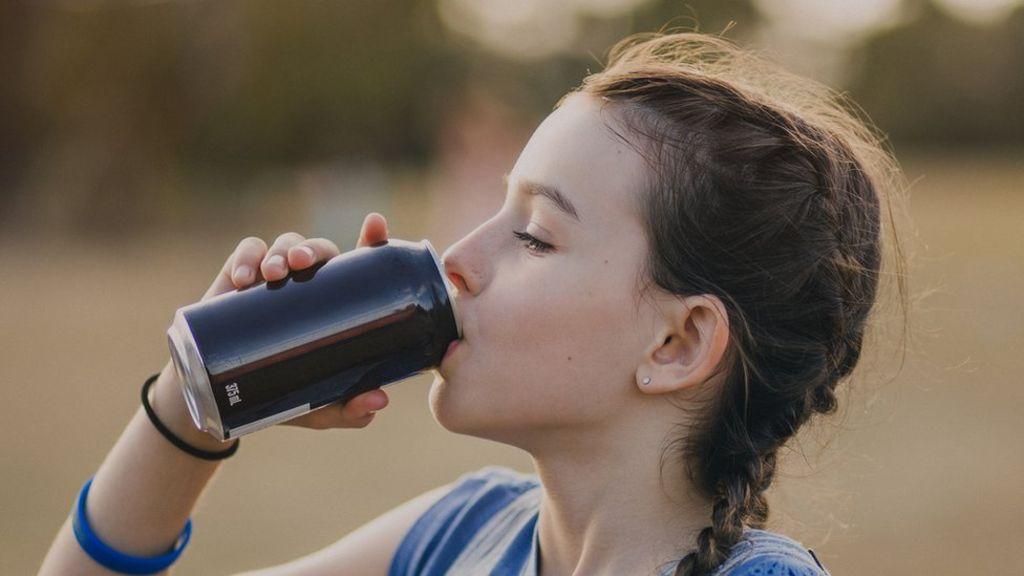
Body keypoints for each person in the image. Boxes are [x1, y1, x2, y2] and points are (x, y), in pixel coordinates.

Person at [39, 30, 908, 576]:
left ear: (678, 343)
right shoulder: (457, 535)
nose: (456, 258)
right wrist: (192, 406)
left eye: (533, 235)